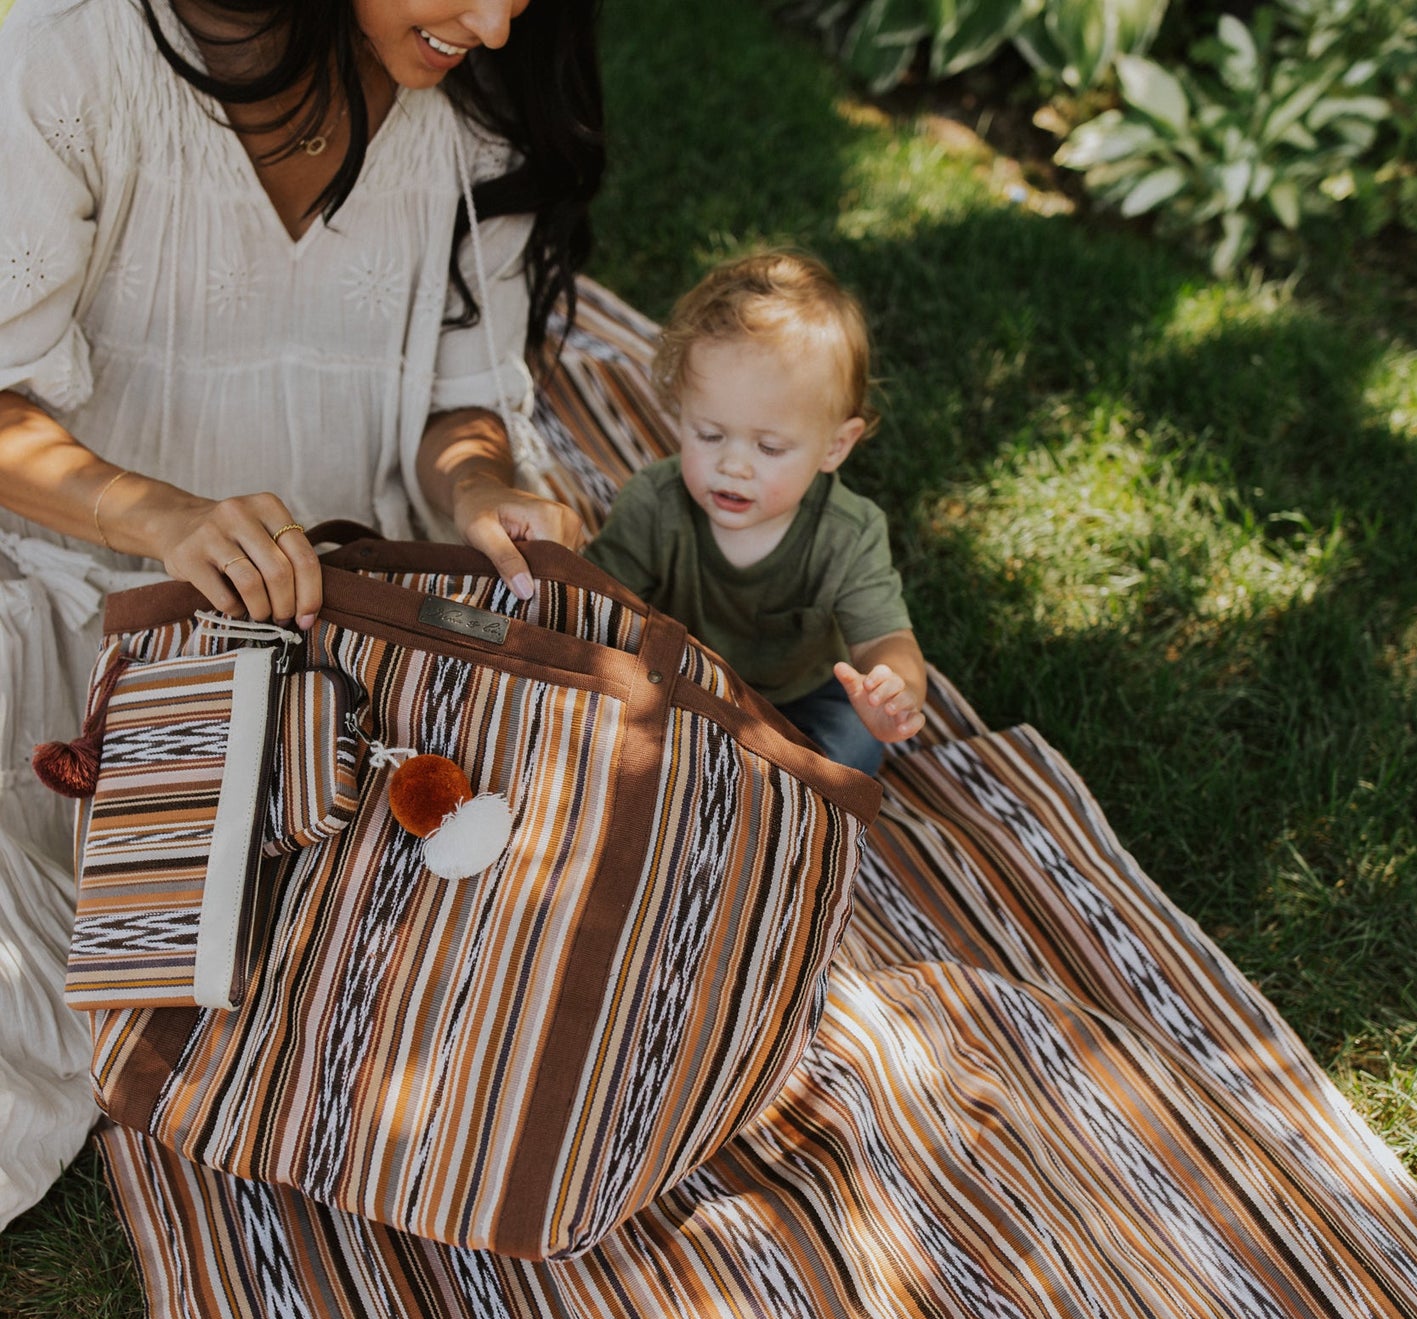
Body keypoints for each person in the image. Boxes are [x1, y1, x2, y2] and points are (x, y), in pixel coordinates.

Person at [0, 0, 600, 1228]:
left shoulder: (476, 105)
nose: (491, 25)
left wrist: (485, 486)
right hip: (71, 596)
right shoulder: (72, 60)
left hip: (321, 639)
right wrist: (161, 516)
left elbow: (461, 399)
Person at [584, 250, 927, 774]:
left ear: (835, 446)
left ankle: (763, 795)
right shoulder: (655, 503)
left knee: (853, 745)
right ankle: (702, 777)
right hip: (680, 684)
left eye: (769, 448)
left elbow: (884, 637)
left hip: (803, 697)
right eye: (710, 434)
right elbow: (598, 602)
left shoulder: (847, 533)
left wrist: (891, 687)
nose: (733, 466)